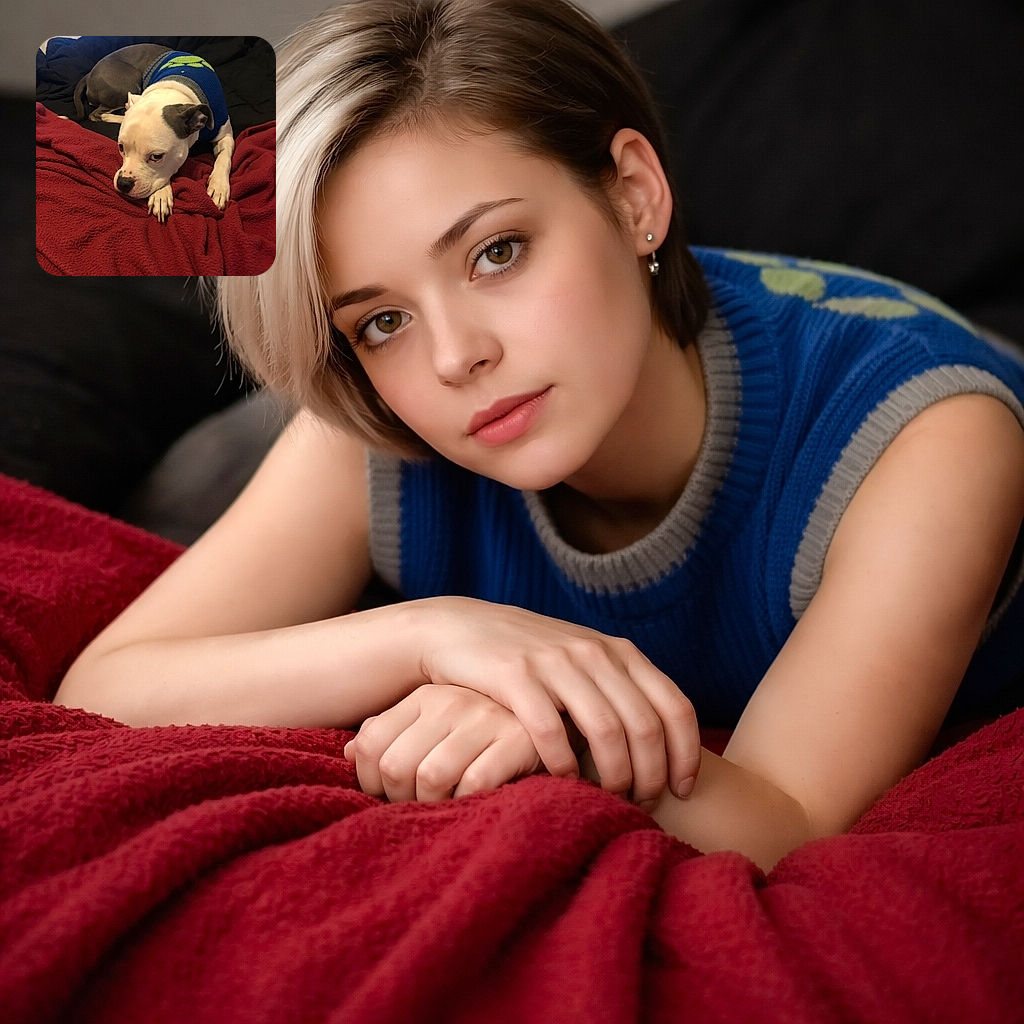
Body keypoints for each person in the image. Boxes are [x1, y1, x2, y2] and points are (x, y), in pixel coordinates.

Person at [55, 0, 1024, 872]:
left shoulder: (931, 441)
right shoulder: (386, 419)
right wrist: (435, 638)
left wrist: (543, 715)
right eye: (381, 319)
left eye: (496, 252)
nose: (455, 357)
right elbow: (107, 684)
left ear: (634, 196)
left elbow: (781, 815)